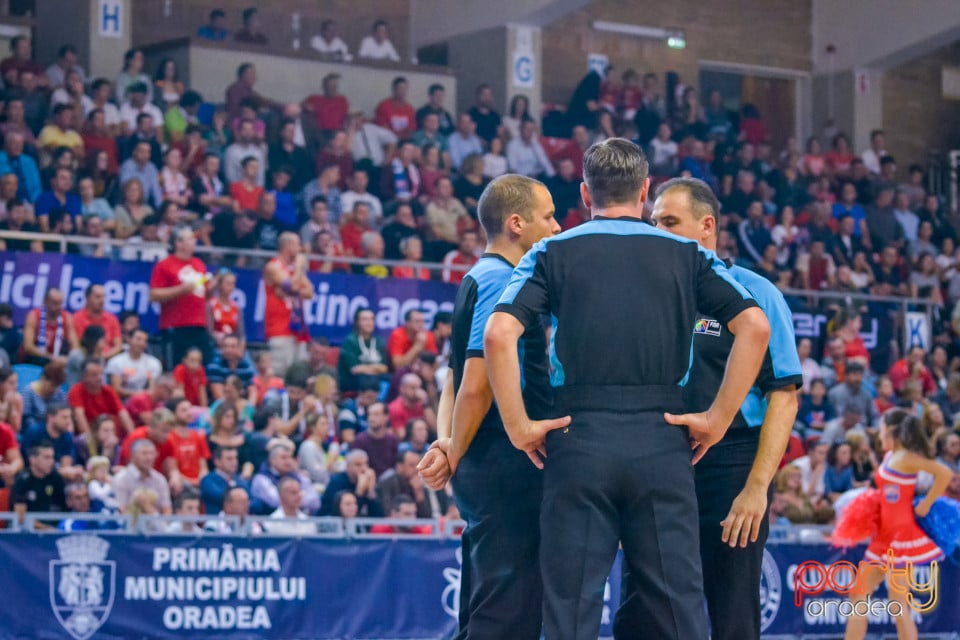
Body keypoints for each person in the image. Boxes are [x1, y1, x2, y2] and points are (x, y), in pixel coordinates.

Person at [481, 139, 770, 640]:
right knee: (678, 610)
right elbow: (756, 328)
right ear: (645, 189)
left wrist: (519, 427)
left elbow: (498, 334)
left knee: (570, 611)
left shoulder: (552, 250)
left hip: (577, 439)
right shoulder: (686, 253)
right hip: (662, 439)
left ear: (584, 194)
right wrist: (718, 419)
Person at [640, 176, 803, 640]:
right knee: (650, 601)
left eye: (670, 222)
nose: (658, 231)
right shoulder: (646, 295)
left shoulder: (756, 293)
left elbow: (784, 395)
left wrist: (756, 487)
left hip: (729, 464)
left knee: (732, 606)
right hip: (656, 458)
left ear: (707, 225)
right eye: (654, 222)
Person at [416, 173, 560, 639]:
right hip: (507, 463)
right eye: (549, 216)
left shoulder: (475, 276)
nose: (557, 227)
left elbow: (453, 377)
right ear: (517, 224)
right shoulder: (504, 279)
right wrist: (454, 448)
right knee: (507, 615)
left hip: (484, 461)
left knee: (484, 605)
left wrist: (448, 442)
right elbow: (476, 385)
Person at [836, 409, 953, 640]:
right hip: (884, 536)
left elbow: (945, 473)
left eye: (881, 427)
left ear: (890, 429)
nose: (878, 432)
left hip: (900, 537)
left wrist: (926, 504)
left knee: (898, 603)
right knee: (858, 594)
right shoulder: (891, 455)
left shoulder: (907, 457)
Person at [149, 227, 217, 370]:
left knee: (204, 367)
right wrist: (181, 290)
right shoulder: (164, 265)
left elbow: (202, 294)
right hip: (176, 326)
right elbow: (153, 295)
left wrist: (210, 290)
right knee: (176, 367)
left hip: (198, 324)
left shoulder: (198, 264)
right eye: (190, 239)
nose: (194, 241)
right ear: (178, 243)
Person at [262, 233, 315, 377]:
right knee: (281, 374)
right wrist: (299, 268)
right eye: (298, 244)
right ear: (288, 246)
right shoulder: (273, 266)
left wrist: (292, 290)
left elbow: (310, 292)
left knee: (299, 374)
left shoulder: (292, 269)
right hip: (280, 329)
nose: (301, 248)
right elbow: (292, 286)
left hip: (297, 329)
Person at [68, 358, 136, 439]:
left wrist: (133, 438)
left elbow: (124, 415)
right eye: (94, 375)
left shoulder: (108, 391)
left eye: (101, 374)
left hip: (107, 433)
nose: (100, 378)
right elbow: (79, 417)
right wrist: (91, 443)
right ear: (84, 376)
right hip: (86, 437)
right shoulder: (76, 390)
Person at [21, 288, 78, 367]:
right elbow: (28, 346)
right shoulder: (34, 316)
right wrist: (52, 358)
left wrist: (68, 359)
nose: (58, 307)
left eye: (60, 303)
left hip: (59, 361)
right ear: (45, 302)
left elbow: (75, 347)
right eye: (55, 303)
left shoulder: (67, 318)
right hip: (36, 360)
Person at [12, 442, 66, 525]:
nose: (51, 461)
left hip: (54, 526)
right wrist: (46, 529)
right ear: (32, 459)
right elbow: (20, 517)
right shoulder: (22, 480)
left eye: (52, 457)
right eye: (46, 457)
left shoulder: (56, 478)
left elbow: (64, 508)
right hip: (28, 530)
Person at [113, 439, 172, 514]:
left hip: (156, 524)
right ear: (132, 456)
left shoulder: (160, 479)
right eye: (144, 453)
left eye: (151, 453)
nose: (149, 458)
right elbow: (120, 510)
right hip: (129, 523)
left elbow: (166, 509)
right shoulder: (121, 479)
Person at [337, 308, 389, 394]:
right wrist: (375, 368)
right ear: (357, 323)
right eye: (365, 320)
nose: (369, 323)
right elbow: (355, 369)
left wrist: (365, 368)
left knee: (387, 381)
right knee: (367, 381)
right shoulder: (350, 341)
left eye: (372, 319)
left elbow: (384, 368)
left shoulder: (379, 341)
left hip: (376, 380)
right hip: (354, 381)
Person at [320, 449, 383, 516]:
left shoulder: (370, 480)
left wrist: (371, 491)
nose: (364, 468)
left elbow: (378, 516)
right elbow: (338, 512)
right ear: (348, 466)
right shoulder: (337, 482)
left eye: (366, 464)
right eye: (358, 465)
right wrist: (359, 493)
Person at [106, 329, 162, 399]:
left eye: (145, 341)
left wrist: (143, 395)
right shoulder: (116, 362)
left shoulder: (153, 363)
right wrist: (139, 394)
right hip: (123, 402)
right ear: (128, 339)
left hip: (145, 401)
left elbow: (151, 389)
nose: (142, 343)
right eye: (138, 339)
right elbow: (116, 390)